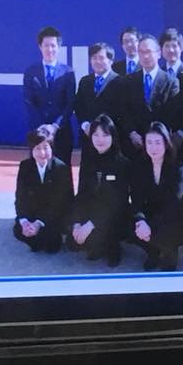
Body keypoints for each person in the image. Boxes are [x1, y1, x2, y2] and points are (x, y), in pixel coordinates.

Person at [67, 114, 131, 267]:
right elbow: (81, 194)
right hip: (91, 211)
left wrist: (90, 225)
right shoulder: (88, 161)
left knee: (106, 234)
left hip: (113, 215)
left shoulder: (122, 163)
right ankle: (97, 243)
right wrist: (77, 223)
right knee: (71, 242)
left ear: (113, 137)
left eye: (105, 135)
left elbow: (117, 202)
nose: (100, 139)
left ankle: (112, 247)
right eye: (95, 135)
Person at [131, 122, 183, 271]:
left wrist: (150, 226)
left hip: (173, 217)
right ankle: (153, 252)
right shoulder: (139, 165)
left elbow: (175, 203)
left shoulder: (179, 166)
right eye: (149, 143)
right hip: (150, 215)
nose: (153, 147)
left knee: (166, 230)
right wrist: (141, 221)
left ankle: (170, 252)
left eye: (158, 142)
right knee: (130, 225)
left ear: (166, 143)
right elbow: (136, 198)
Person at [13, 125, 73, 253]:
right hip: (32, 213)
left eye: (46, 147)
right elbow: (20, 196)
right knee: (19, 231)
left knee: (52, 246)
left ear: (51, 148)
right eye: (37, 148)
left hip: (53, 215)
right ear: (31, 150)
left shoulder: (61, 168)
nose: (42, 153)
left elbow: (58, 202)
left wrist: (38, 223)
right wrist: (24, 221)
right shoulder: (25, 166)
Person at [120, 34, 181, 160]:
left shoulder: (171, 82)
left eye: (149, 52)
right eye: (141, 52)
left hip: (161, 145)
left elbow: (172, 113)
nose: (145, 56)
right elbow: (124, 110)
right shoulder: (128, 81)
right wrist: (132, 133)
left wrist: (156, 136)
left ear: (158, 53)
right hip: (135, 145)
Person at [23, 26, 76, 164]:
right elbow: (28, 101)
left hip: (61, 132)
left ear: (59, 47)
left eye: (53, 45)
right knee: (38, 171)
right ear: (40, 47)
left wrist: (55, 126)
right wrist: (42, 128)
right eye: (46, 45)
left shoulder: (68, 72)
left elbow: (70, 103)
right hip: (37, 132)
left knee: (62, 171)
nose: (50, 49)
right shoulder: (31, 72)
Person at [74, 42, 123, 173]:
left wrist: (106, 129)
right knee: (88, 175)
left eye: (101, 58)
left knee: (109, 176)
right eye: (94, 58)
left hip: (110, 138)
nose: (97, 61)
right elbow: (79, 106)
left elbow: (122, 110)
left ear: (111, 60)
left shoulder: (120, 82)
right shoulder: (85, 81)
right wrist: (85, 125)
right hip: (88, 138)